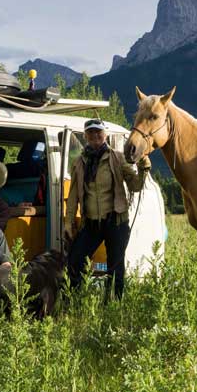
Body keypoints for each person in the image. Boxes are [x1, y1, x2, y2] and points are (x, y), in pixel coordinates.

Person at [64, 118, 151, 299]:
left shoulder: (117, 158)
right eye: (91, 133)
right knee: (75, 261)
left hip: (116, 221)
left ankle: (113, 305)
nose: (95, 136)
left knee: (115, 267)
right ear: (85, 136)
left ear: (105, 135)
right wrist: (68, 222)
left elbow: (135, 186)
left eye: (99, 132)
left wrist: (143, 171)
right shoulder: (79, 163)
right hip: (91, 223)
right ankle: (75, 302)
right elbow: (72, 197)